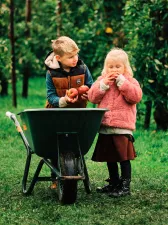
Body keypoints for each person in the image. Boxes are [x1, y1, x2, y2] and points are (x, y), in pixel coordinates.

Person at [88, 47, 142, 197]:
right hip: (105, 125)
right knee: (110, 157)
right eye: (110, 66)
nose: (114, 69)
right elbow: (92, 97)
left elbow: (135, 97)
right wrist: (103, 85)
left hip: (122, 126)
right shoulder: (102, 81)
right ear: (106, 67)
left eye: (118, 66)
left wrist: (122, 83)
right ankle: (114, 182)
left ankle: (125, 186)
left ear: (125, 67)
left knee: (123, 157)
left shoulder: (130, 81)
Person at [44, 36, 93, 189]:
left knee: (75, 142)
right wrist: (63, 101)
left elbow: (90, 85)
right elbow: (51, 96)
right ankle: (55, 176)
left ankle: (74, 167)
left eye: (76, 55)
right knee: (55, 144)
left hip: (78, 112)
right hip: (56, 113)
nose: (75, 59)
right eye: (70, 57)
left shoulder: (82, 69)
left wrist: (88, 94)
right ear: (58, 58)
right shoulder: (51, 73)